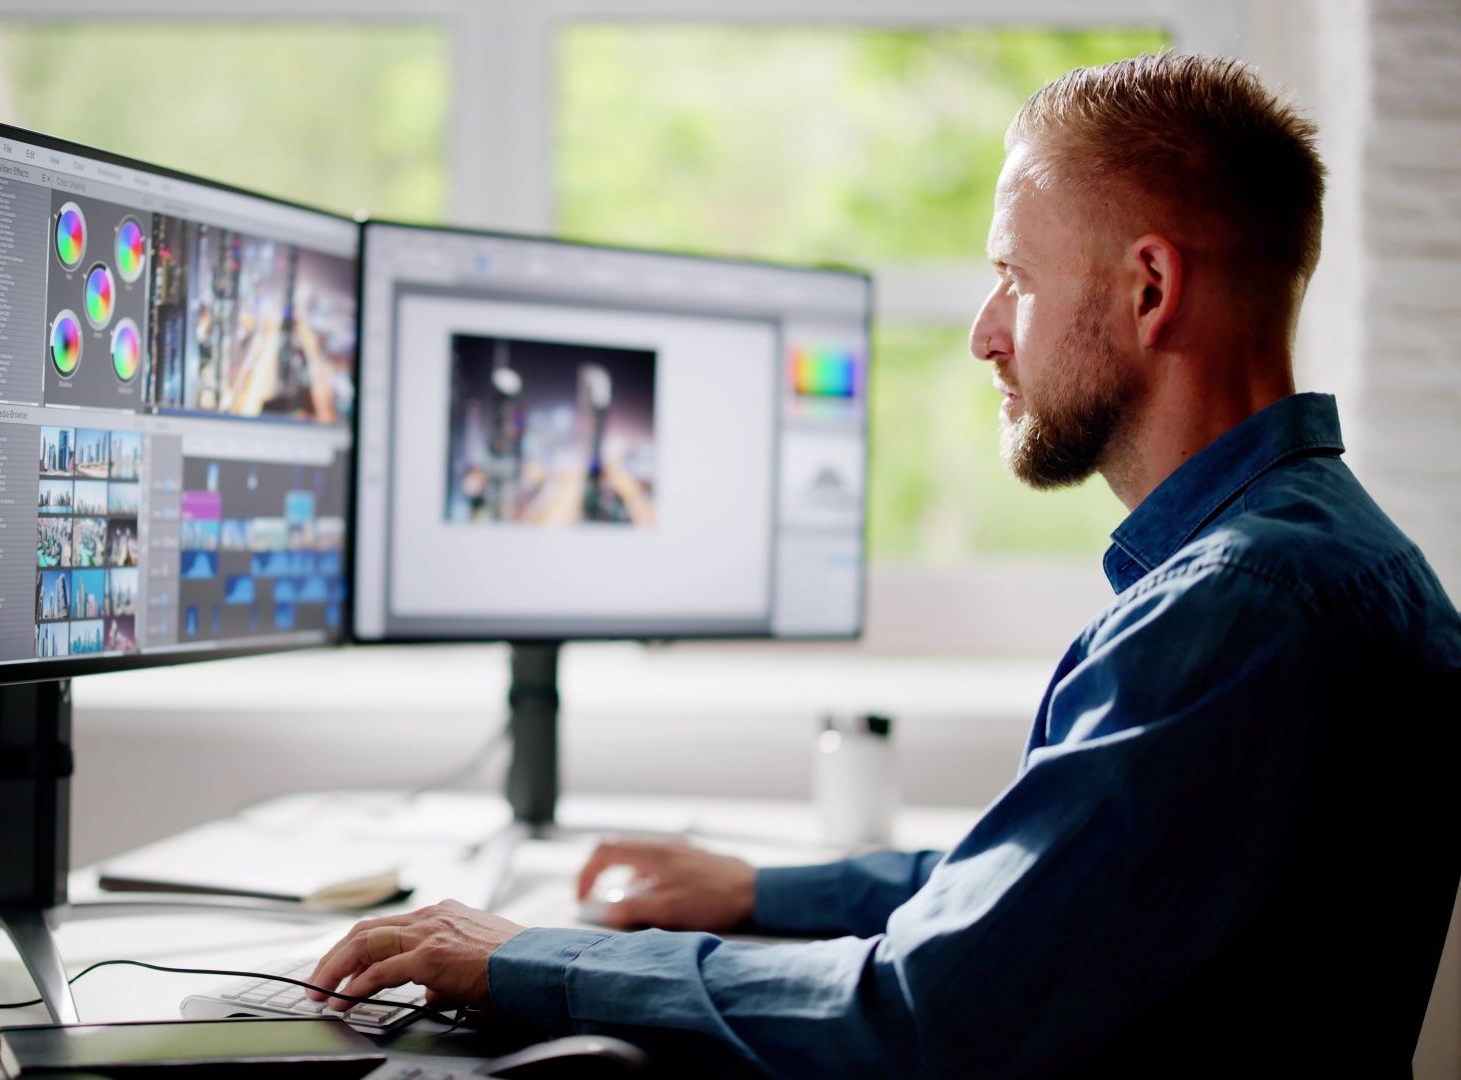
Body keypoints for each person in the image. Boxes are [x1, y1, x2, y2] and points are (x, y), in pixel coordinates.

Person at [306, 53, 1461, 1076]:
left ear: (1149, 289)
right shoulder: (1315, 558)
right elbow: (1043, 890)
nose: (983, 331)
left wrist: (528, 959)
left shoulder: (1242, 606)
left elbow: (922, 1012)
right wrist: (757, 890)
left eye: (1014, 273)